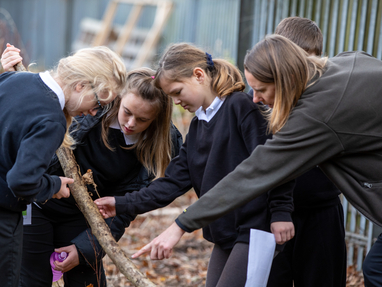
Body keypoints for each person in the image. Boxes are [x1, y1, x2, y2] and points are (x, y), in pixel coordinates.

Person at [116, 35, 382, 286]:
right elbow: (175, 180)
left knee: (372, 270)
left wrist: (182, 224)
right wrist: (121, 204)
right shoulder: (198, 125)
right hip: (227, 230)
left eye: (261, 89)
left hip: (259, 227)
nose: (256, 98)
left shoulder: (264, 111)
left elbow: (261, 170)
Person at [95, 43, 295, 287]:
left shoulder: (241, 107)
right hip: (224, 234)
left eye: (178, 92)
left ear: (198, 75)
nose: (177, 101)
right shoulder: (199, 126)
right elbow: (171, 183)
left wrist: (281, 211)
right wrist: (120, 203)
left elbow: (274, 163)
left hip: (255, 230)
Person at [0, 46, 126, 287]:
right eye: (99, 103)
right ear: (81, 85)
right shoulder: (52, 118)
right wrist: (53, 185)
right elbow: (22, 182)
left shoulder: (12, 79)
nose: (94, 112)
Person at [0, 46, 182, 287]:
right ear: (118, 99)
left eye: (142, 120)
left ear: (156, 120)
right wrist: (13, 75)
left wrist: (86, 248)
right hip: (39, 202)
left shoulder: (158, 145)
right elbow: (47, 96)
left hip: (86, 216)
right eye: (127, 112)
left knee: (88, 280)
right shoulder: (89, 109)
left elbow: (125, 207)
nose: (130, 123)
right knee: (31, 279)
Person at [262, 17, 346, 287]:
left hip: (322, 210)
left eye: (306, 61)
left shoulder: (331, 96)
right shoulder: (264, 96)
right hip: (273, 213)